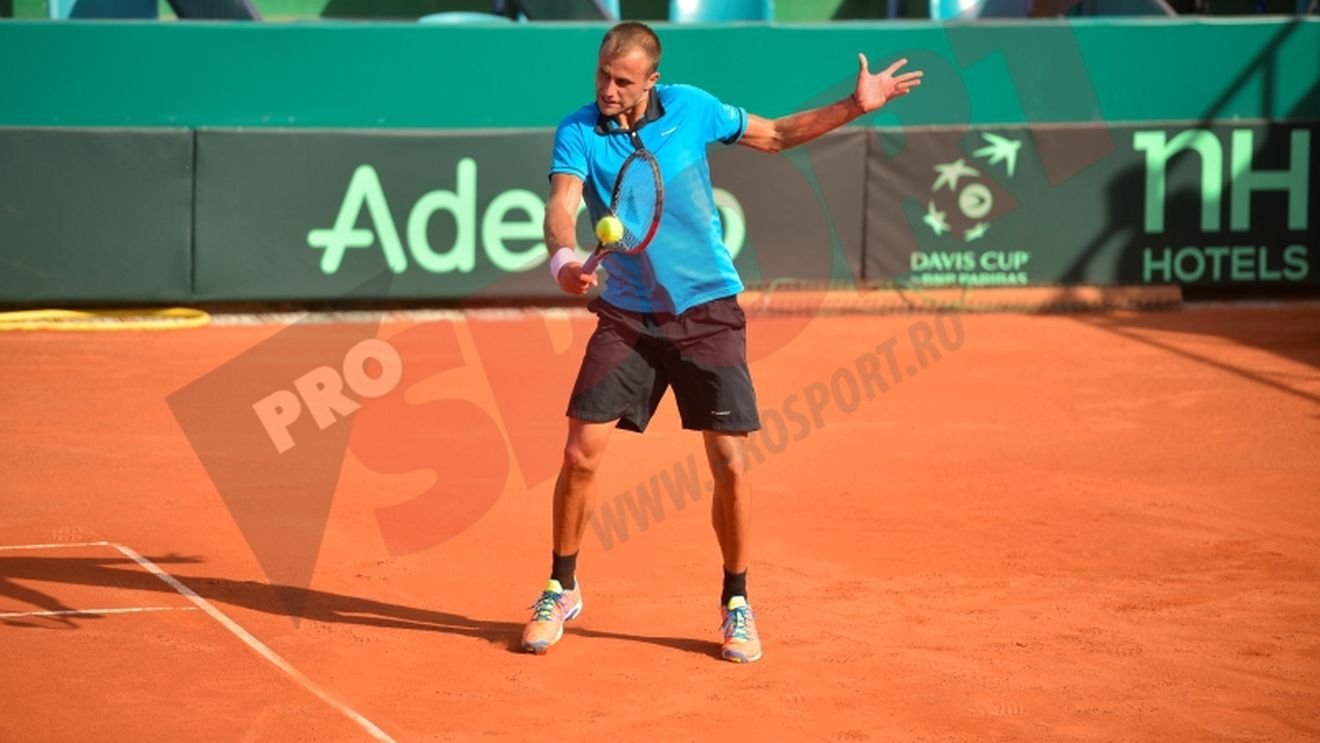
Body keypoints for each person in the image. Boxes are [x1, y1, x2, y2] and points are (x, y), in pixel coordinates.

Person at [523, 21, 921, 663]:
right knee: (579, 455)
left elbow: (778, 135)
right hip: (627, 315)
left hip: (707, 312)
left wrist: (855, 106)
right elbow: (560, 204)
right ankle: (560, 587)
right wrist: (563, 261)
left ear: (652, 80)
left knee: (730, 463)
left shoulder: (692, 108)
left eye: (623, 81)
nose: (608, 89)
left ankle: (737, 602)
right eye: (602, 75)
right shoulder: (577, 131)